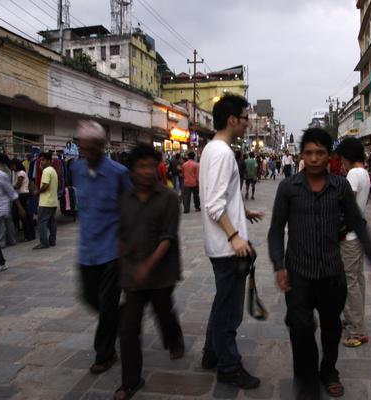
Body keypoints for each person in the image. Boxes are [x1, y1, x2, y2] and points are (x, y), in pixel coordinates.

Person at [268, 128, 371, 399]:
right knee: (301, 329)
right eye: (309, 152)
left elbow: (356, 222)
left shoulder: (340, 187)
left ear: (330, 155)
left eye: (320, 152)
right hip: (298, 274)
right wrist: (278, 265)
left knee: (331, 328)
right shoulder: (288, 188)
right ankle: (306, 381)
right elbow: (275, 230)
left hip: (332, 273)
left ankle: (329, 370)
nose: (314, 158)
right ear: (301, 155)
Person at [199, 94, 264, 389]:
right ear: (232, 120)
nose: (248, 123)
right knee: (230, 312)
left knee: (221, 303)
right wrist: (235, 236)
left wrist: (242, 212)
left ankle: (211, 353)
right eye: (245, 117)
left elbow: (222, 197)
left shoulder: (215, 150)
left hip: (223, 245)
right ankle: (229, 365)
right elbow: (214, 204)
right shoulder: (222, 153)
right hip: (228, 248)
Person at [115, 144, 184, 399]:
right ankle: (131, 381)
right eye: (141, 167)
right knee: (128, 328)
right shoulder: (124, 199)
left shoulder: (168, 198)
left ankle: (174, 339)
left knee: (163, 313)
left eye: (151, 166)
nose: (147, 171)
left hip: (161, 273)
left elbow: (168, 237)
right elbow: (120, 233)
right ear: (131, 171)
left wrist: (148, 265)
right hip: (133, 274)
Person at [71, 120, 133, 375]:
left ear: (102, 147)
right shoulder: (76, 169)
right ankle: (122, 319)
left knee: (107, 304)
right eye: (82, 149)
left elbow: (131, 208)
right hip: (87, 248)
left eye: (91, 149)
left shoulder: (119, 173)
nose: (86, 155)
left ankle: (104, 354)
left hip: (112, 249)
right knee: (88, 297)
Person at [335, 138, 371, 348]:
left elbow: (344, 202)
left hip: (349, 236)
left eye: (342, 157)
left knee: (349, 283)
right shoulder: (364, 173)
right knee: (357, 280)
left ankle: (357, 330)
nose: (341, 162)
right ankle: (354, 320)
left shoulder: (353, 174)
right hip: (356, 234)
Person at [32, 152, 58, 250]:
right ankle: (52, 240)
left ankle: (44, 242)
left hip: (46, 201)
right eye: (40, 160)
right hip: (53, 201)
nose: (41, 162)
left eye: (43, 160)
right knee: (52, 222)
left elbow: (45, 185)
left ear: (48, 161)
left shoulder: (46, 171)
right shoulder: (53, 170)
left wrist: (37, 192)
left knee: (41, 222)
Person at [11, 159, 35, 242]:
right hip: (22, 195)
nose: (12, 167)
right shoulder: (17, 173)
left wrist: (9, 187)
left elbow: (18, 185)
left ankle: (29, 235)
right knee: (25, 216)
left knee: (25, 216)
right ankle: (29, 235)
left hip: (23, 195)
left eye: (12, 165)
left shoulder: (21, 173)